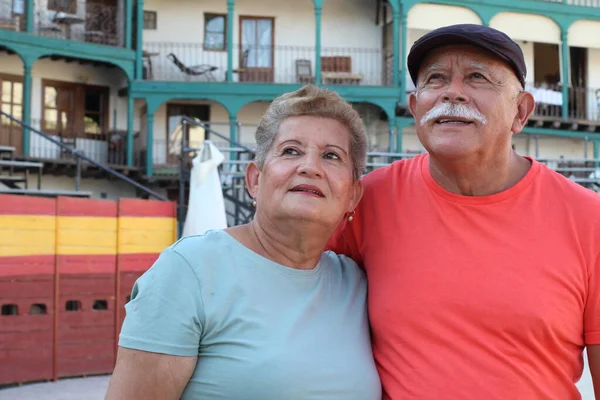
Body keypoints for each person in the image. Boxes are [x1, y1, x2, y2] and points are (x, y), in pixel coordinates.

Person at [328, 24, 600, 400]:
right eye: (435, 79)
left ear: (520, 111)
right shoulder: (365, 202)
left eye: (477, 77)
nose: (452, 92)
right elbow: (284, 273)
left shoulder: (589, 220)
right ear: (414, 107)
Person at [105, 85, 382, 400]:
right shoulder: (189, 270)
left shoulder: (355, 284)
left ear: (352, 196)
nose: (309, 167)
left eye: (331, 155)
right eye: (291, 150)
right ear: (254, 180)